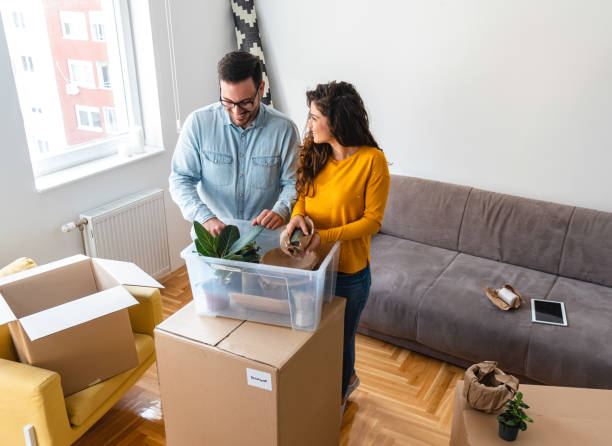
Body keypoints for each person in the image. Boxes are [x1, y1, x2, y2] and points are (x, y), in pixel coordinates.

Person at [285, 81, 390, 415]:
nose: (309, 124)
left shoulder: (372, 162)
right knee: (310, 335)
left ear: (337, 121)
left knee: (340, 340)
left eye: (315, 117)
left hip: (349, 272)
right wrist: (296, 218)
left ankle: (340, 395)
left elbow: (373, 222)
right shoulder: (313, 152)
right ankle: (325, 386)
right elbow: (302, 196)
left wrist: (324, 236)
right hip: (309, 269)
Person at [169, 51, 299, 235]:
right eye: (228, 102)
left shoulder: (285, 129)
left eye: (245, 102)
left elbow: (294, 182)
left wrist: (281, 209)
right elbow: (180, 179)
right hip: (214, 239)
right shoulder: (198, 123)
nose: (237, 111)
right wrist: (205, 217)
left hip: (264, 237)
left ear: (261, 89)